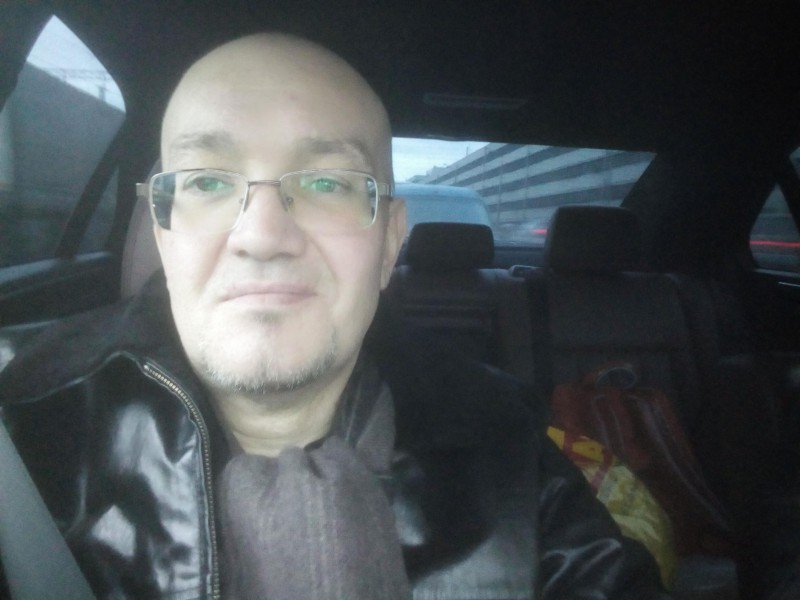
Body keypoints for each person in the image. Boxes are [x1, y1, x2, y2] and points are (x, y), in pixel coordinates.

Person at [0, 33, 667, 599]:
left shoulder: (508, 447)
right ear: (163, 233)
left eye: (327, 183)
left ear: (389, 244)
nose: (262, 236)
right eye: (207, 181)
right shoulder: (22, 421)